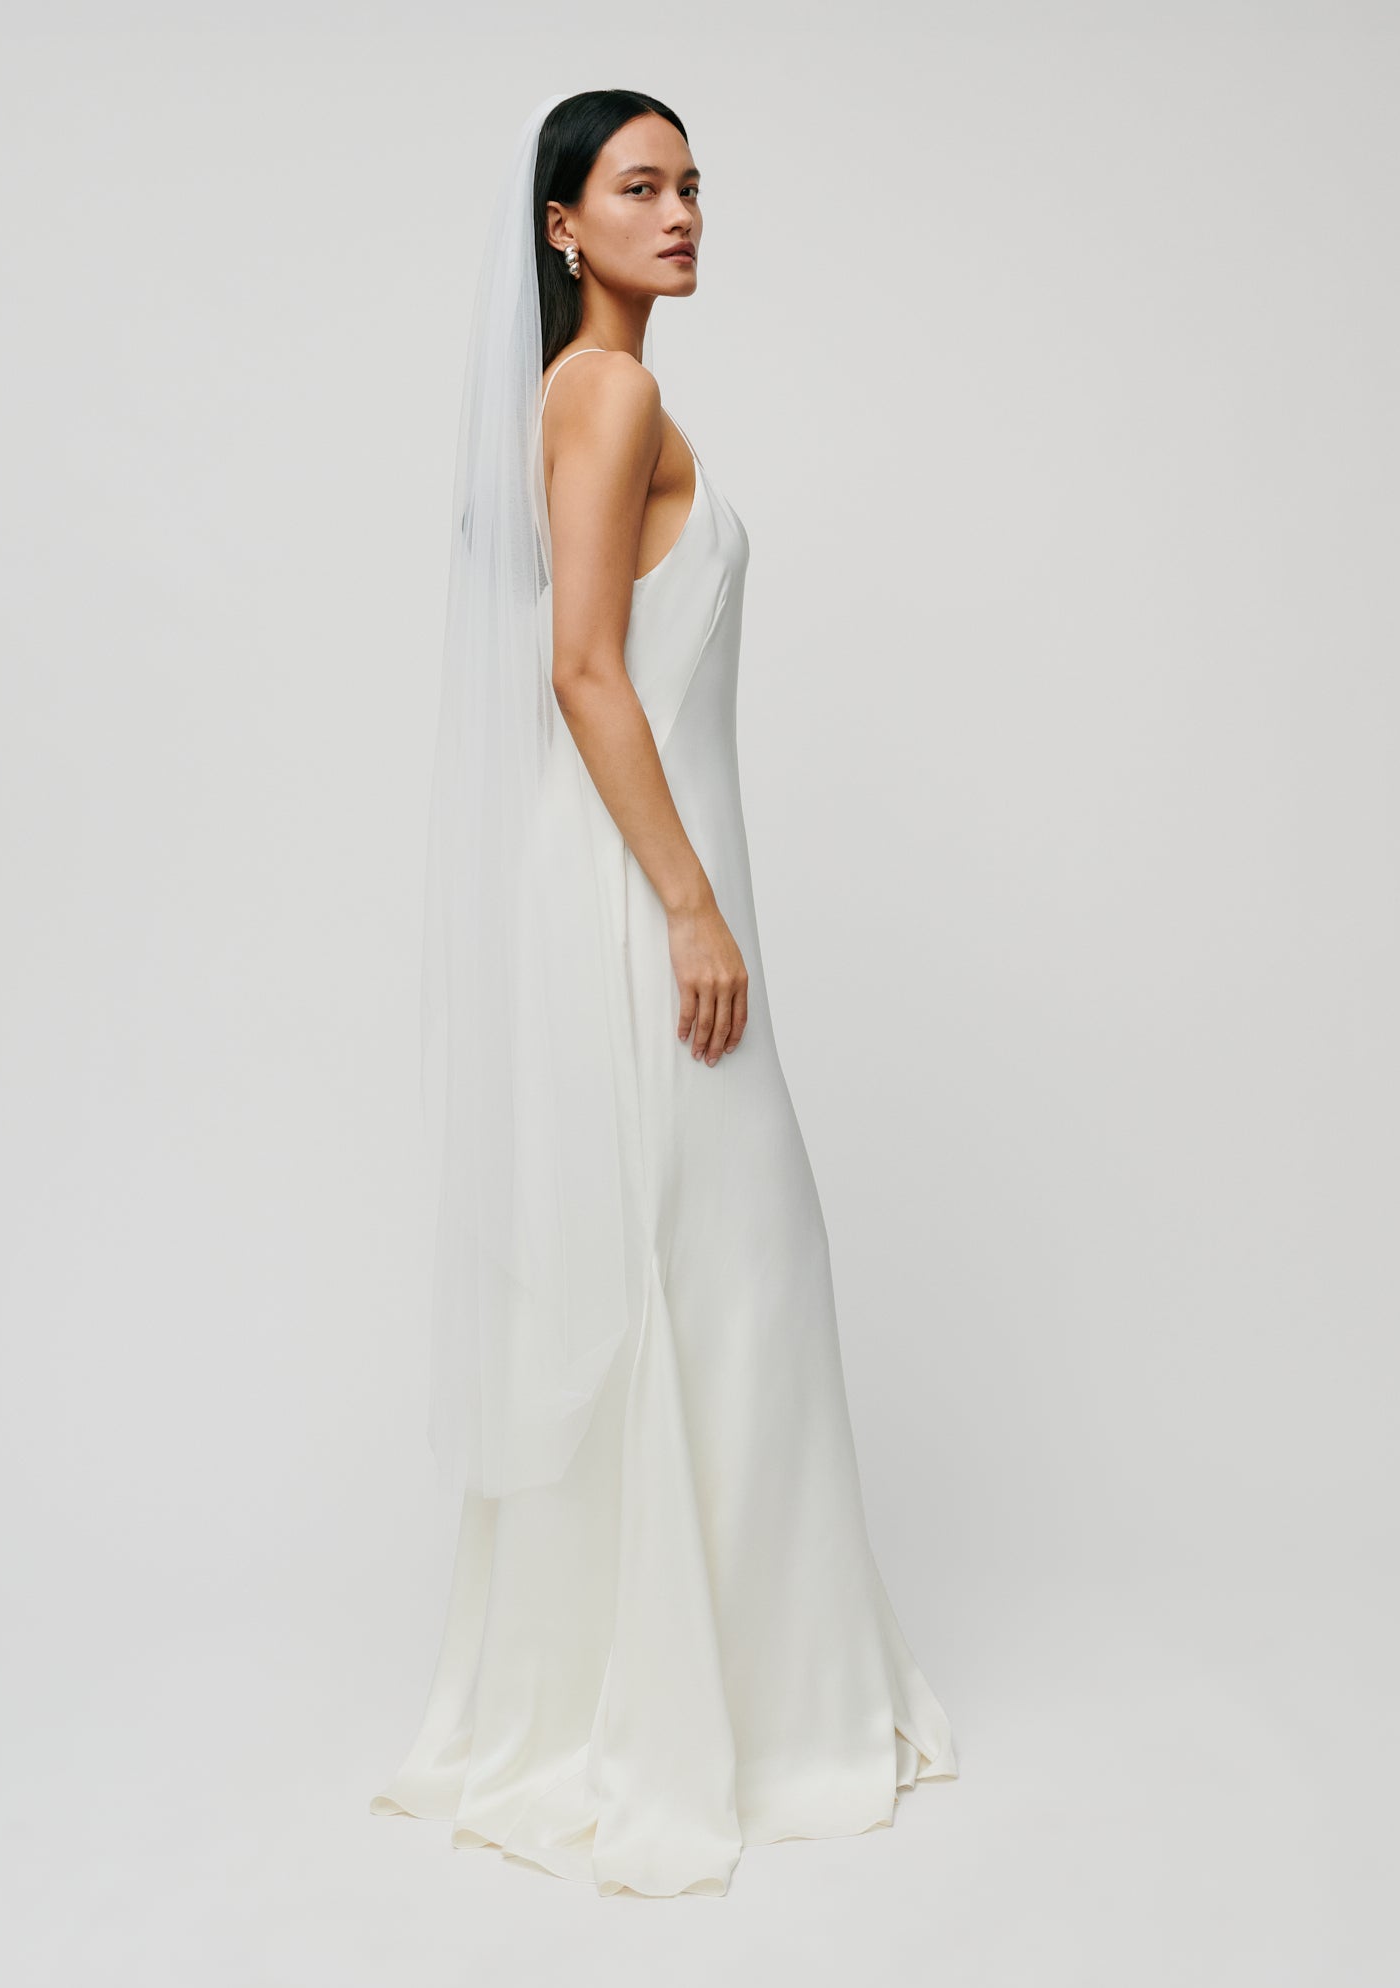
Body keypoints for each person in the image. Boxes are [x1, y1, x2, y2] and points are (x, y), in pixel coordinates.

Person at [369, 88, 958, 1899]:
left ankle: (665, 1693)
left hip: (614, 874)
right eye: (642, 186)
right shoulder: (606, 393)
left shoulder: (580, 397)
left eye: (695, 184)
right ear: (564, 227)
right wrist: (694, 907)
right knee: (730, 1257)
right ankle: (737, 1724)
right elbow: (581, 670)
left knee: (698, 1260)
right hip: (643, 888)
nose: (683, 211)